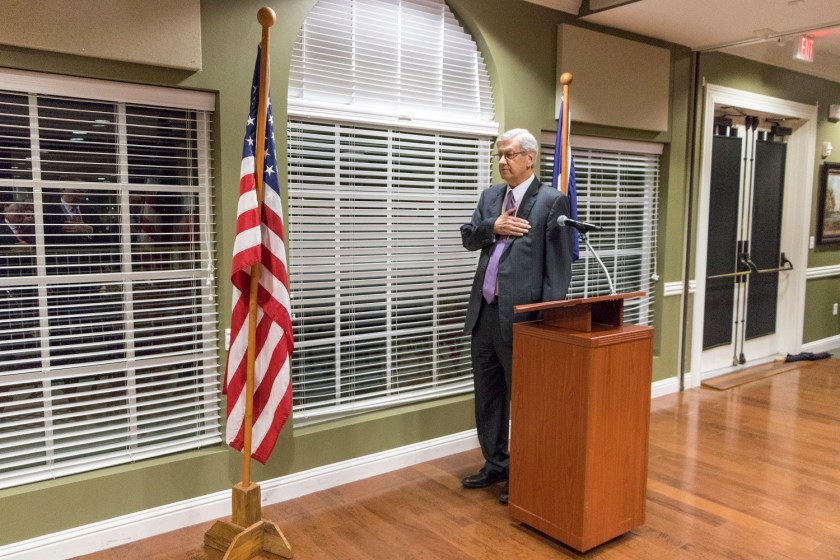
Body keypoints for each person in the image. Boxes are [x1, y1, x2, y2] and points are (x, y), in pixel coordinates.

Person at [459, 128, 574, 504]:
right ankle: (496, 464)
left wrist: (547, 323)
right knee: (488, 397)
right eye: (499, 155)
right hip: (485, 314)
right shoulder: (491, 197)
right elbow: (468, 237)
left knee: (526, 402)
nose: (502, 162)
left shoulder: (551, 201)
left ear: (530, 158)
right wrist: (491, 228)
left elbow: (557, 272)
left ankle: (525, 469)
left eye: (509, 155)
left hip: (524, 321)